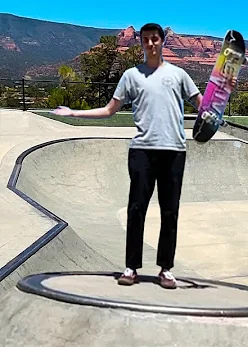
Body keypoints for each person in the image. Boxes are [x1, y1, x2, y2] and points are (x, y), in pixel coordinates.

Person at [52, 22, 233, 289]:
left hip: (174, 151)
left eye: (155, 39)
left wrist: (218, 103)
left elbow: (202, 105)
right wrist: (74, 113)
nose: (150, 44)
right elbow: (109, 110)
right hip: (142, 152)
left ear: (163, 41)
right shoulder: (130, 76)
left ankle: (166, 270)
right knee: (136, 209)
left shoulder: (179, 75)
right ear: (141, 43)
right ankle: (131, 267)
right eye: (146, 39)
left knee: (170, 212)